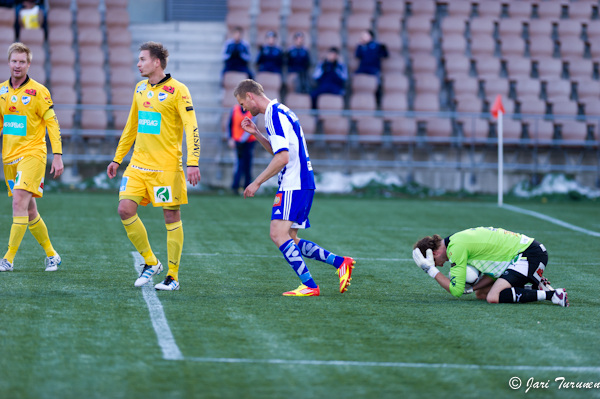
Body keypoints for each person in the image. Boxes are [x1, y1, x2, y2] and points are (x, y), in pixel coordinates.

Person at [233, 79, 355, 296]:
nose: (243, 109)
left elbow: (283, 158)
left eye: (243, 103)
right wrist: (258, 135)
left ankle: (309, 285)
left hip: (293, 184)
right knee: (290, 237)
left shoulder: (273, 114)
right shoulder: (281, 111)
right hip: (302, 182)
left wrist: (256, 182)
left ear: (251, 96)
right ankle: (340, 262)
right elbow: (280, 152)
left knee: (277, 234)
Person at [106, 41, 201, 291]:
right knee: (125, 209)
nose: (138, 64)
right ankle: (151, 262)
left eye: (142, 59)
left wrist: (192, 162)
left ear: (156, 62)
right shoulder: (139, 89)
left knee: (171, 216)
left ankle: (172, 275)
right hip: (138, 165)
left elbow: (191, 126)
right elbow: (131, 126)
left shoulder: (178, 90)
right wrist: (118, 158)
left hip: (166, 168)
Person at [0, 42, 63, 272]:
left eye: (22, 61)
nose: (18, 65)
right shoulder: (2, 91)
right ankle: (52, 255)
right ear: (9, 63)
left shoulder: (38, 91)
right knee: (29, 210)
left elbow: (52, 124)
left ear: (29, 64)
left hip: (33, 154)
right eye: (14, 61)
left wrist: (57, 155)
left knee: (18, 201)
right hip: (9, 158)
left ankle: (7, 258)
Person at [412, 226, 569, 307]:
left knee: (493, 297)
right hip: (527, 254)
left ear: (432, 255)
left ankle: (553, 295)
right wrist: (472, 289)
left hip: (529, 254)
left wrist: (431, 270)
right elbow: (493, 272)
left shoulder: (456, 248)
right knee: (482, 294)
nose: (441, 264)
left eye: (431, 261)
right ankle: (536, 287)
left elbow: (455, 291)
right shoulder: (455, 240)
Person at [228, 103, 256, 194]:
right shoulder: (234, 109)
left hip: (249, 142)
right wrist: (230, 138)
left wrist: (242, 140)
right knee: (239, 164)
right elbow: (230, 124)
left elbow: (252, 128)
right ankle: (235, 186)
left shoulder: (252, 112)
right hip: (237, 142)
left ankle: (247, 187)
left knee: (248, 165)